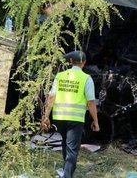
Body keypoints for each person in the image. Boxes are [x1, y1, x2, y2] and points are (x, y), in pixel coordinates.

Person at [41, 50, 100, 178]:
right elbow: (91, 102)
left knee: (66, 144)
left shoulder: (60, 76)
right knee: (72, 149)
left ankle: (66, 171)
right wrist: (95, 122)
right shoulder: (86, 79)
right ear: (84, 62)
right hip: (75, 119)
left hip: (59, 118)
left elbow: (51, 97)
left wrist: (46, 117)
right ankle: (67, 175)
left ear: (71, 62)